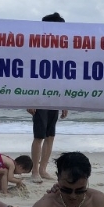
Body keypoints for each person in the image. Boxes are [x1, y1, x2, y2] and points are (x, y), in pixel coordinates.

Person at [28, 11, 68, 183]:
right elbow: (30, 74)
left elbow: (63, 76)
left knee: (50, 135)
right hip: (39, 96)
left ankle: (43, 169)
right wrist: (30, 99)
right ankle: (35, 171)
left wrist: (64, 101)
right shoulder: (38, 48)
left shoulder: (61, 50)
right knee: (39, 135)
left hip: (55, 97)